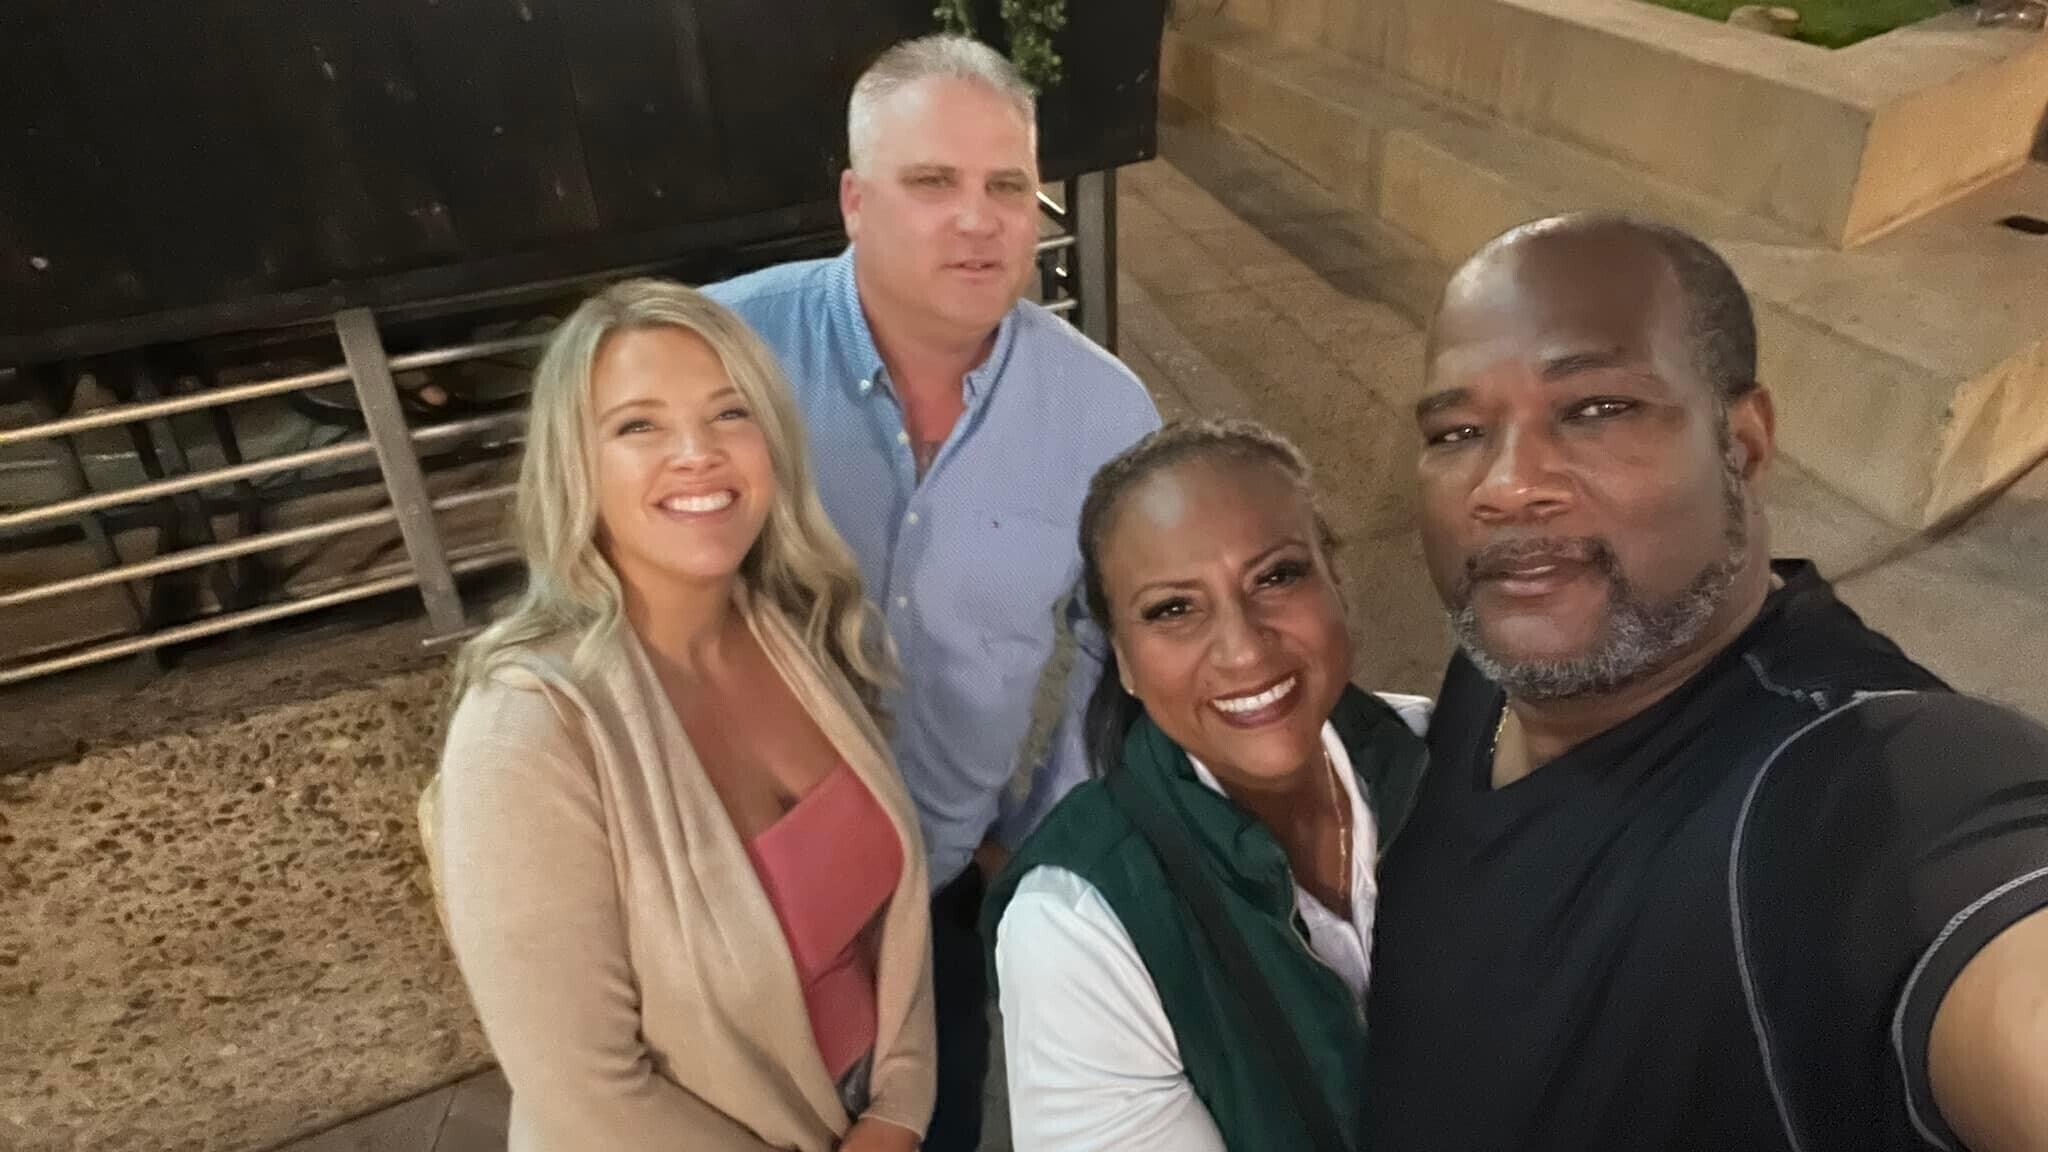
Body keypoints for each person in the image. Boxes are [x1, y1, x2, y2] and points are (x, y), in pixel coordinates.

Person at [1364, 214, 2048, 1151]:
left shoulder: (1870, 785)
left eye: (1597, 409)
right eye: (1458, 431)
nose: (1507, 485)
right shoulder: (1512, 650)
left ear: (1744, 442)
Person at [703, 33, 1161, 1148]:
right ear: (854, 201)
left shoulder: (1102, 412)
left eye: (1007, 185)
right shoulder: (719, 355)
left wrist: (1041, 839)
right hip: (723, 900)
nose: (978, 219)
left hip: (937, 894)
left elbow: (1120, 653)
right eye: (932, 182)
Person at [425, 281, 934, 1152]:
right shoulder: (524, 731)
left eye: (730, 413)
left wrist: (899, 1108)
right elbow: (586, 1090)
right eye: (639, 425)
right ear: (575, 465)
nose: (698, 453)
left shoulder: (791, 629)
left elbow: (895, 920)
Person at [981, 419, 1433, 1152]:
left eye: (1277, 576)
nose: (1243, 648)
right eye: (1173, 609)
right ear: (1124, 661)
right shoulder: (1076, 924)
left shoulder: (1445, 760)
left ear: (1336, 581)